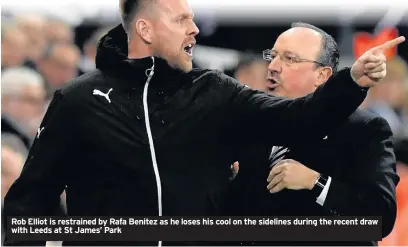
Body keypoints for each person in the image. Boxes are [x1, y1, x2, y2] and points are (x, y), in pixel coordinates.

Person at [3, 0, 403, 246]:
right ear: (146, 29)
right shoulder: (77, 100)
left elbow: (299, 120)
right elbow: (29, 200)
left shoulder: (217, 93)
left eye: (290, 59)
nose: (195, 28)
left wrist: (350, 83)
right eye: (181, 19)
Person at [227, 22, 400, 246]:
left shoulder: (364, 129)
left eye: (289, 58)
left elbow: (380, 218)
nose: (273, 66)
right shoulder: (255, 122)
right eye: (273, 56)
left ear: (322, 75)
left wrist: (317, 183)